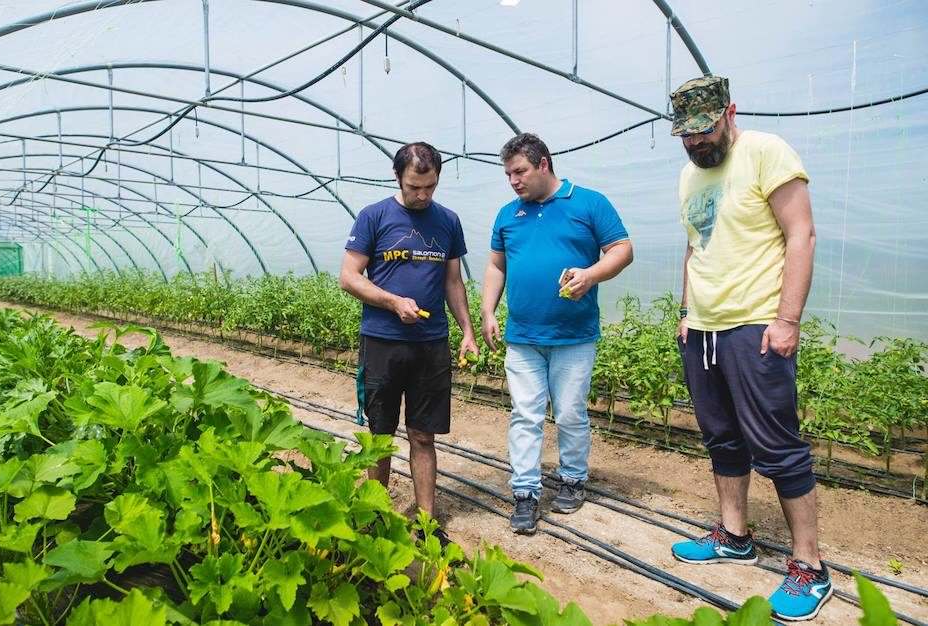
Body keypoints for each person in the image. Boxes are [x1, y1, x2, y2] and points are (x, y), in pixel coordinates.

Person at [667, 76, 830, 622]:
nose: (696, 143)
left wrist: (788, 320)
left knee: (776, 445)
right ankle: (734, 534)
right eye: (685, 135)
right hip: (706, 330)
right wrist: (688, 312)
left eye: (704, 130)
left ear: (729, 112)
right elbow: (696, 248)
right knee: (721, 438)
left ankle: (809, 564)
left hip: (757, 325)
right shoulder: (690, 177)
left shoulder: (767, 153)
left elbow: (800, 234)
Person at [481, 133, 633, 535]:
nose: (514, 181)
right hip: (523, 336)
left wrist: (590, 274)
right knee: (525, 414)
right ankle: (525, 493)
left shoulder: (588, 203)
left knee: (569, 413)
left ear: (544, 164)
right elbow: (497, 266)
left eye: (520, 172)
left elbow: (621, 249)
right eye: (509, 174)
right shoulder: (507, 215)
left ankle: (572, 478)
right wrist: (488, 311)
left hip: (574, 335)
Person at [340, 141, 478, 539]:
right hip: (382, 341)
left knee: (423, 433)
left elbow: (453, 281)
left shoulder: (448, 221)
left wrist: (466, 331)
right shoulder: (373, 217)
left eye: (430, 187)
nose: (422, 195)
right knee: (380, 433)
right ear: (398, 177)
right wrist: (391, 302)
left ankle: (426, 522)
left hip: (431, 344)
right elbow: (349, 277)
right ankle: (375, 515)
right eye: (415, 187)